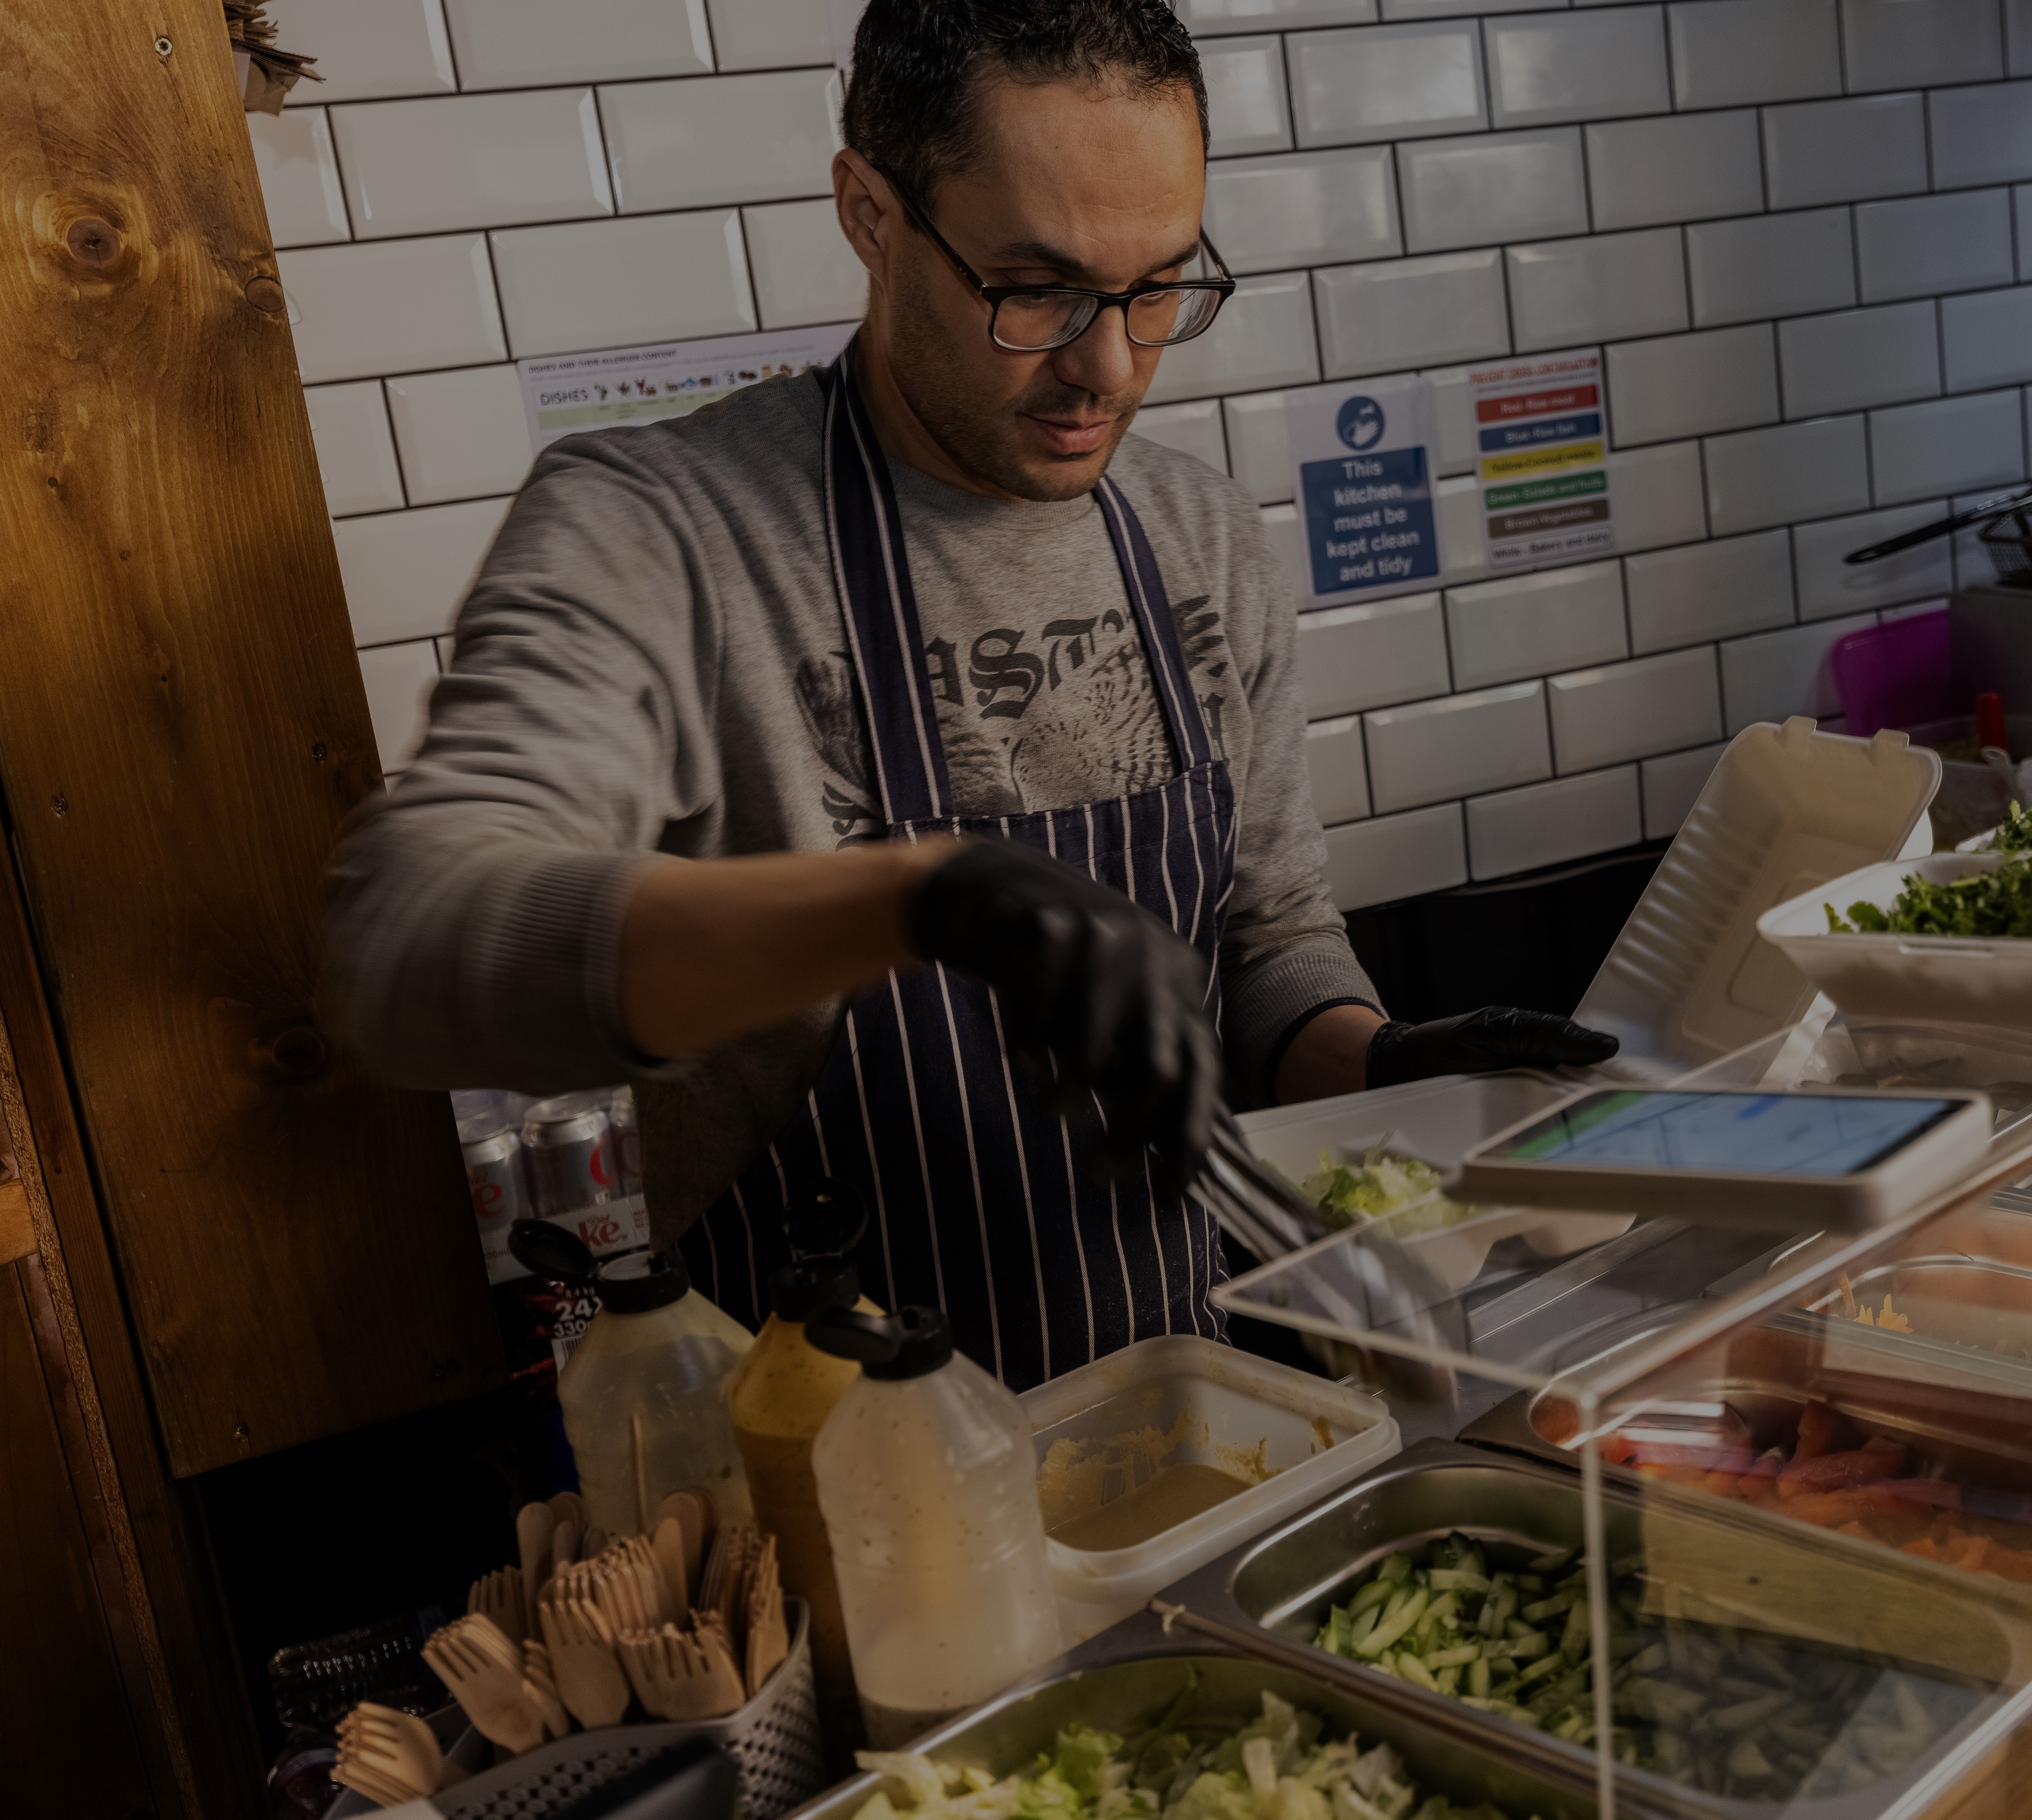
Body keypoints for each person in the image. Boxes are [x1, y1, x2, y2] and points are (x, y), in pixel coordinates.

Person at [322, 0, 1617, 1390]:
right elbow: (399, 946)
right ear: (869, 213)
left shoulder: (1195, 537)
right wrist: (911, 901)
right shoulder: (666, 532)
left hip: (1193, 1421)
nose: (1109, 368)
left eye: (1158, 286)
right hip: (832, 1469)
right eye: (1035, 289)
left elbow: (1266, 942)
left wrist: (1390, 1063)